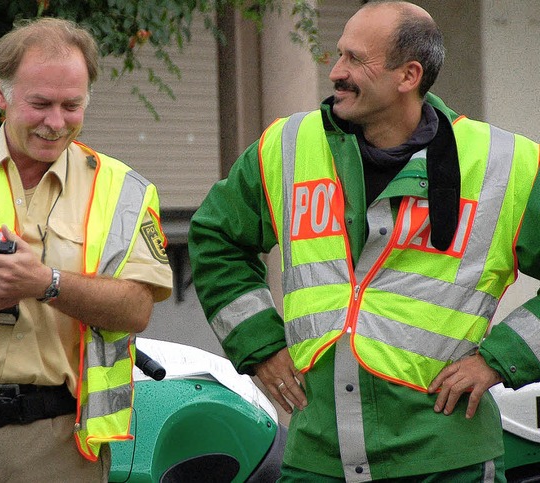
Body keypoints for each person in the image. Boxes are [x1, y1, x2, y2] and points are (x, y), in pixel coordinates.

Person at [188, 1, 540, 481]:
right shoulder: (287, 145)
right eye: (338, 55)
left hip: (445, 462)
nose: (336, 72)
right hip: (318, 460)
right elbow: (216, 237)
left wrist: (500, 360)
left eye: (356, 59)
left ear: (408, 75)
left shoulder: (505, 162)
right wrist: (260, 345)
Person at [0, 17, 172, 482]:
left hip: (62, 444)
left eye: (72, 105)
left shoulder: (125, 190)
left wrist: (47, 283)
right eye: (40, 103)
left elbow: (136, 309)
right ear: (0, 94)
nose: (56, 122)